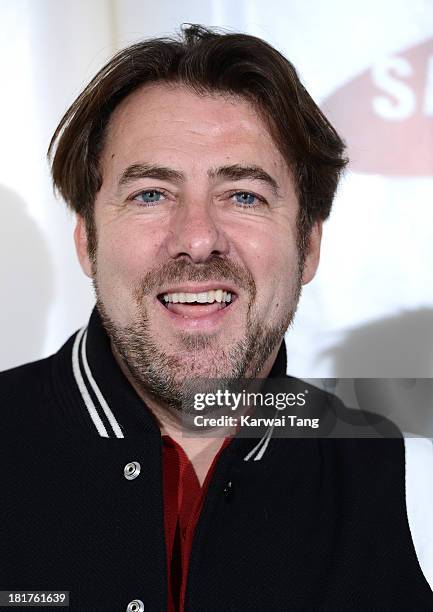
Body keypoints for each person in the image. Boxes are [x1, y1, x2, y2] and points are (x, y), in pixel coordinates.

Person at [0, 24, 432, 612]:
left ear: (308, 246)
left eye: (244, 196)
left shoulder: (386, 467)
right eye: (151, 194)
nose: (198, 239)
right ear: (86, 241)